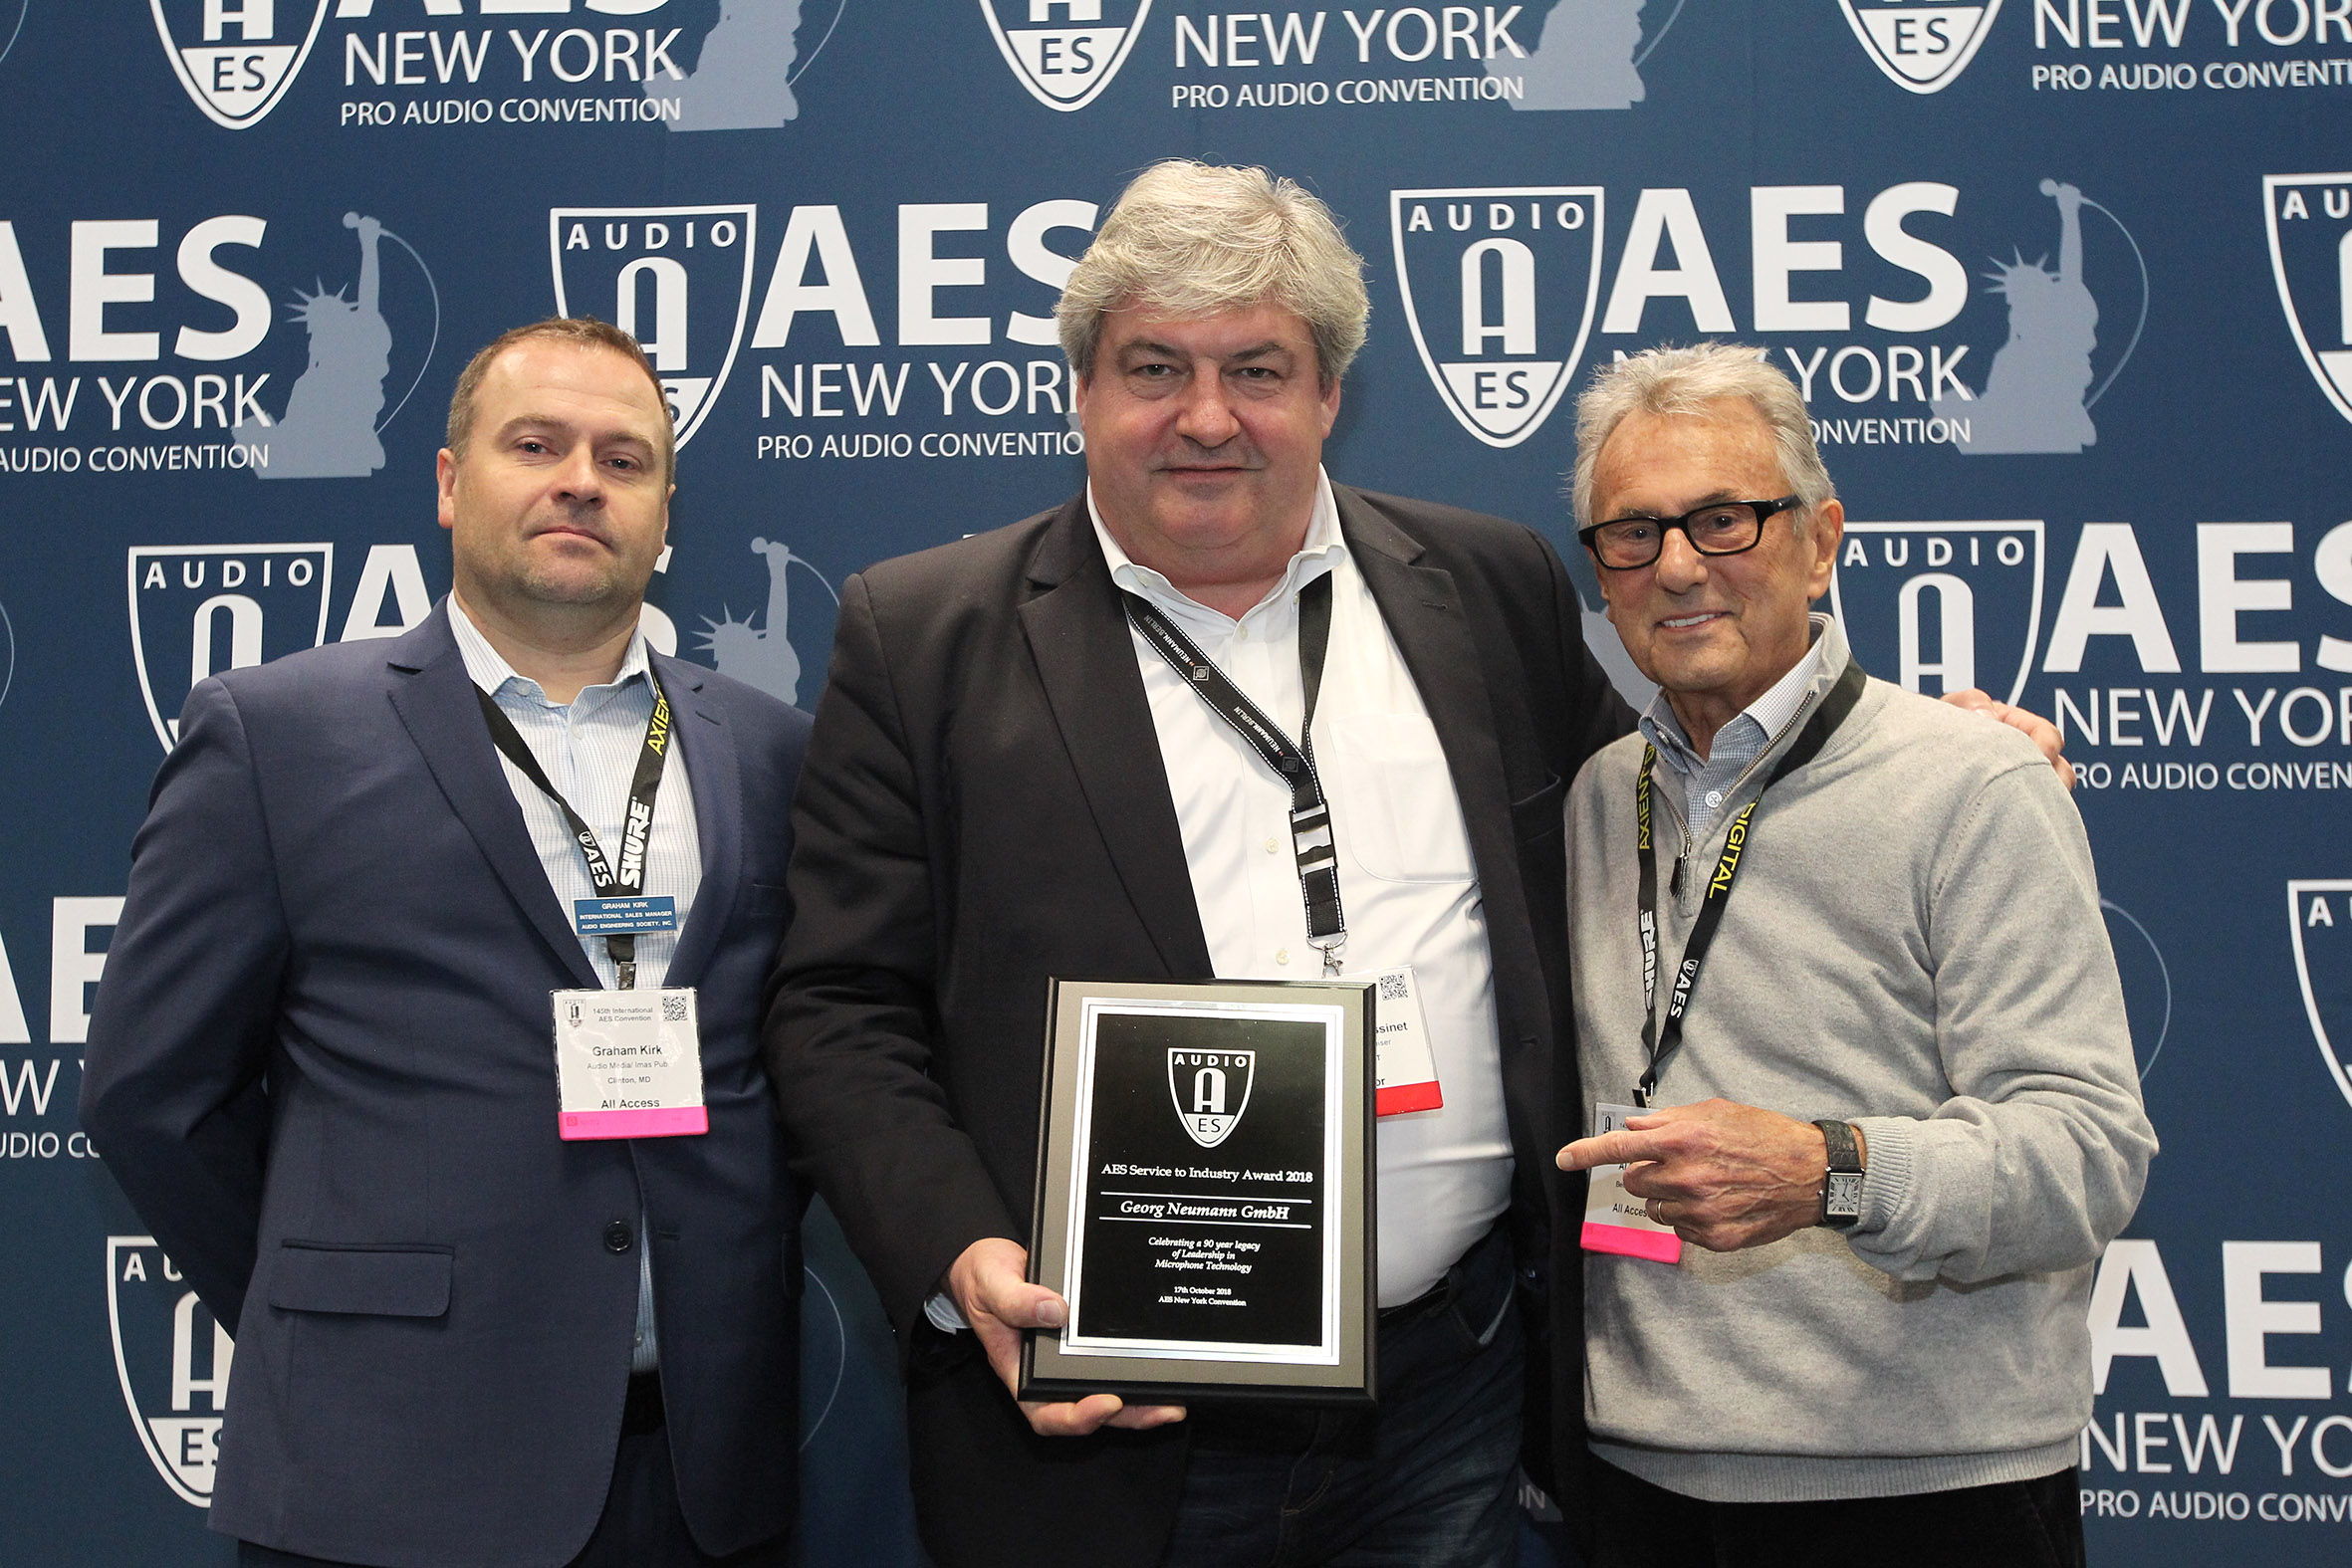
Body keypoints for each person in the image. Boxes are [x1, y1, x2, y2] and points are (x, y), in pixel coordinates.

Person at [81, 319, 811, 1568]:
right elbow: (154, 1098)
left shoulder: (772, 745)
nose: (581, 478)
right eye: (536, 444)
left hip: (696, 1476)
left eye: (624, 459)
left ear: (666, 509)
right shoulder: (275, 735)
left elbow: (799, 1069)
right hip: (386, 1466)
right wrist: (339, 1308)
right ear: (449, 482)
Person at [1554, 342, 2154, 1568]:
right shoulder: (1593, 797)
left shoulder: (1973, 783)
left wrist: (1830, 1169)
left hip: (1927, 1491)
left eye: (1722, 520)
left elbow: (2088, 1151)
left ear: (1820, 540)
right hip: (1636, 1483)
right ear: (1602, 576)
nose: (1677, 566)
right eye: (1632, 534)